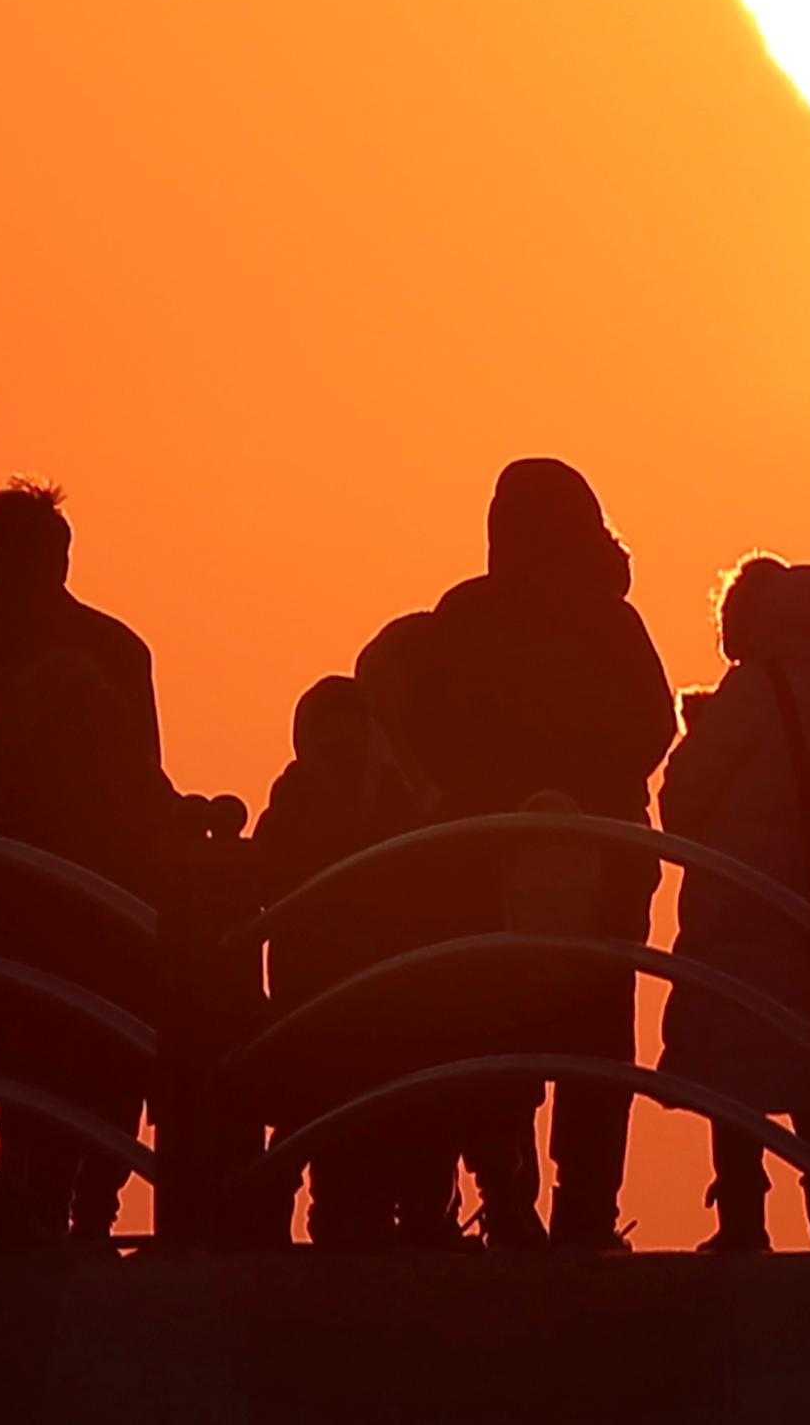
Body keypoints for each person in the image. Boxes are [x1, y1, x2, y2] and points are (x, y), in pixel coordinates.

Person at [350, 459, 677, 1252]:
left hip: (479, 858)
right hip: (602, 859)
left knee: (491, 1035)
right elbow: (653, 726)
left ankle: (507, 1200)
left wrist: (493, 788)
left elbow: (423, 727)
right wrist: (584, 786)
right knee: (596, 1038)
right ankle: (587, 1209)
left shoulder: (465, 616)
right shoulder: (609, 620)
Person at [0, 480, 176, 1252]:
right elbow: (142, 790)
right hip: (29, 904)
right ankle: (22, 1219)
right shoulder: (109, 648)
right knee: (12, 1073)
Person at [659, 558, 810, 1251]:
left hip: (738, 895)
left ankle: (743, 1217)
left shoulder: (752, 690)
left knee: (734, 1061)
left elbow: (688, 788)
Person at [251, 675, 449, 1249]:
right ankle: (301, 1214)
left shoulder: (398, 797)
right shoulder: (296, 804)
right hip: (317, 988)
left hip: (380, 986)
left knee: (378, 1101)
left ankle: (379, 1214)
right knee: (312, 1104)